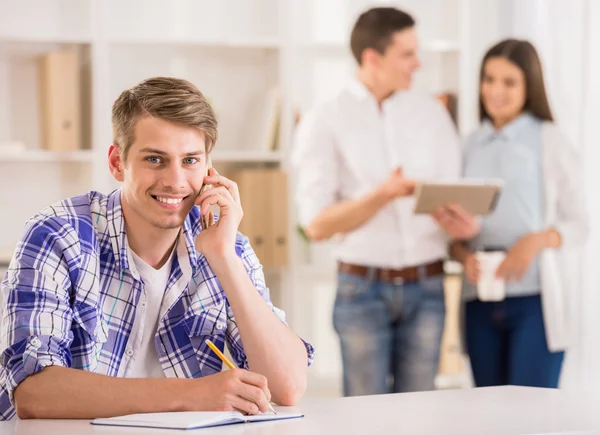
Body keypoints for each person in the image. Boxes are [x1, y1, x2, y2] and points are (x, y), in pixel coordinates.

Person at [0, 77, 314, 420]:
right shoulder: (58, 235)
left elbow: (287, 386)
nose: (175, 181)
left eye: (190, 160)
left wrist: (225, 258)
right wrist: (192, 394)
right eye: (155, 159)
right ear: (117, 163)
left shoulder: (226, 246)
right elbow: (33, 392)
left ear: (209, 168)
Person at [292, 7, 461, 396]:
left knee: (419, 413)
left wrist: (462, 224)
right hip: (361, 290)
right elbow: (316, 225)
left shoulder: (432, 114)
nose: (417, 64)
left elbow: (453, 196)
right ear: (372, 58)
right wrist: (382, 195)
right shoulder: (326, 118)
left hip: (428, 286)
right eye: (407, 54)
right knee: (366, 415)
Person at [440, 39, 588, 388]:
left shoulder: (549, 140)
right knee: (490, 414)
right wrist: (463, 256)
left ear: (529, 86)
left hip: (535, 302)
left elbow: (580, 225)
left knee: (532, 415)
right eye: (489, 79)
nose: (496, 91)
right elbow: (451, 237)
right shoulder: (468, 145)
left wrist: (534, 242)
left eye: (509, 82)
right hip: (479, 300)